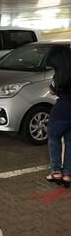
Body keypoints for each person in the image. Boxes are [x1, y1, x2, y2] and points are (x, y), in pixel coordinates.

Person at [45, 46, 71, 188]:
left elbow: (52, 91)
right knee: (70, 143)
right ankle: (67, 174)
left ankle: (56, 172)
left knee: (54, 140)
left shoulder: (60, 75)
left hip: (60, 112)